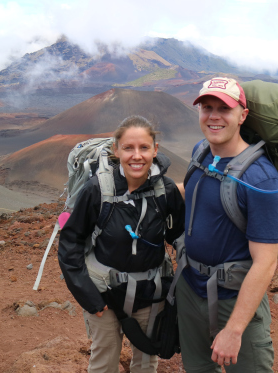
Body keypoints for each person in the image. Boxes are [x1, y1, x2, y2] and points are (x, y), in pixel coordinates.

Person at [58, 115, 185, 373]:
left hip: (152, 294)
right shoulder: (97, 190)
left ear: (155, 150)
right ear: (116, 150)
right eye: (128, 148)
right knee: (104, 363)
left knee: (147, 362)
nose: (136, 156)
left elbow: (180, 234)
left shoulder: (166, 190)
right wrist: (90, 299)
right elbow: (70, 244)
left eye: (144, 148)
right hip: (104, 294)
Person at [176, 77, 278, 372]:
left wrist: (235, 330)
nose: (213, 116)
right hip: (189, 287)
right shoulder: (202, 152)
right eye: (206, 107)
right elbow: (194, 191)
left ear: (242, 115)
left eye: (224, 108)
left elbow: (266, 262)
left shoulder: (261, 180)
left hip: (233, 299)